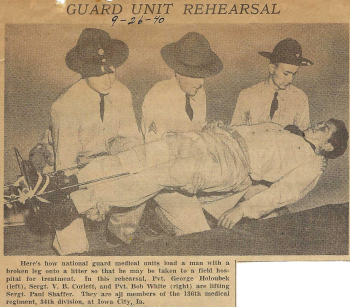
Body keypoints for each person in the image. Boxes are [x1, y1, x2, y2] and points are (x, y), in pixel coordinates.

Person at [16, 118, 348, 254]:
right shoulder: (286, 130)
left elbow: (281, 193)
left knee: (158, 175)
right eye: (321, 123)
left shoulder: (311, 164)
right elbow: (245, 130)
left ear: (329, 147)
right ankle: (66, 184)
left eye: (325, 130)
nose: (318, 126)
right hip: (212, 139)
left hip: (230, 166)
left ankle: (72, 206)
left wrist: (242, 208)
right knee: (141, 154)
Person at [28, 28, 142, 251]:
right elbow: (65, 166)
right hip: (63, 170)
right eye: (98, 73)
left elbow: (132, 143)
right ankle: (68, 246)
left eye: (111, 71)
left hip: (102, 162)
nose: (108, 79)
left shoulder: (122, 93)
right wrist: (86, 199)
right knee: (74, 245)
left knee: (139, 171)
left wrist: (109, 186)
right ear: (84, 71)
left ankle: (118, 233)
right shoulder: (65, 105)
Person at [141, 31, 223, 235]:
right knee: (199, 234)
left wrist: (211, 133)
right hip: (168, 177)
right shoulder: (157, 97)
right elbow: (156, 155)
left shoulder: (198, 92)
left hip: (195, 171)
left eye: (203, 75)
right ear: (178, 71)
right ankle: (155, 213)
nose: (201, 82)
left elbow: (197, 131)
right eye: (196, 75)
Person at [231, 38, 313, 130]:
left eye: (293, 74)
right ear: (271, 68)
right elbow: (234, 134)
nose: (290, 80)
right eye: (286, 73)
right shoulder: (247, 96)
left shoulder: (300, 98)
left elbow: (304, 138)